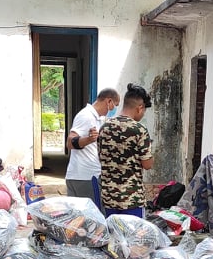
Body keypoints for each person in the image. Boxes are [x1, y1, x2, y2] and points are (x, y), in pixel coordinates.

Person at [97, 83, 153, 218]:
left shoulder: (104, 127)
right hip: (132, 200)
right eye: (144, 110)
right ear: (140, 108)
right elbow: (147, 164)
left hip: (109, 199)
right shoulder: (139, 129)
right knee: (133, 238)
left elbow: (101, 158)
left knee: (114, 237)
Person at [64, 88, 120, 209]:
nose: (114, 110)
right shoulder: (86, 116)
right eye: (115, 106)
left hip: (84, 176)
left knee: (80, 220)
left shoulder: (98, 118)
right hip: (85, 177)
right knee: (92, 220)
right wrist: (88, 139)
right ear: (108, 101)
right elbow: (70, 142)